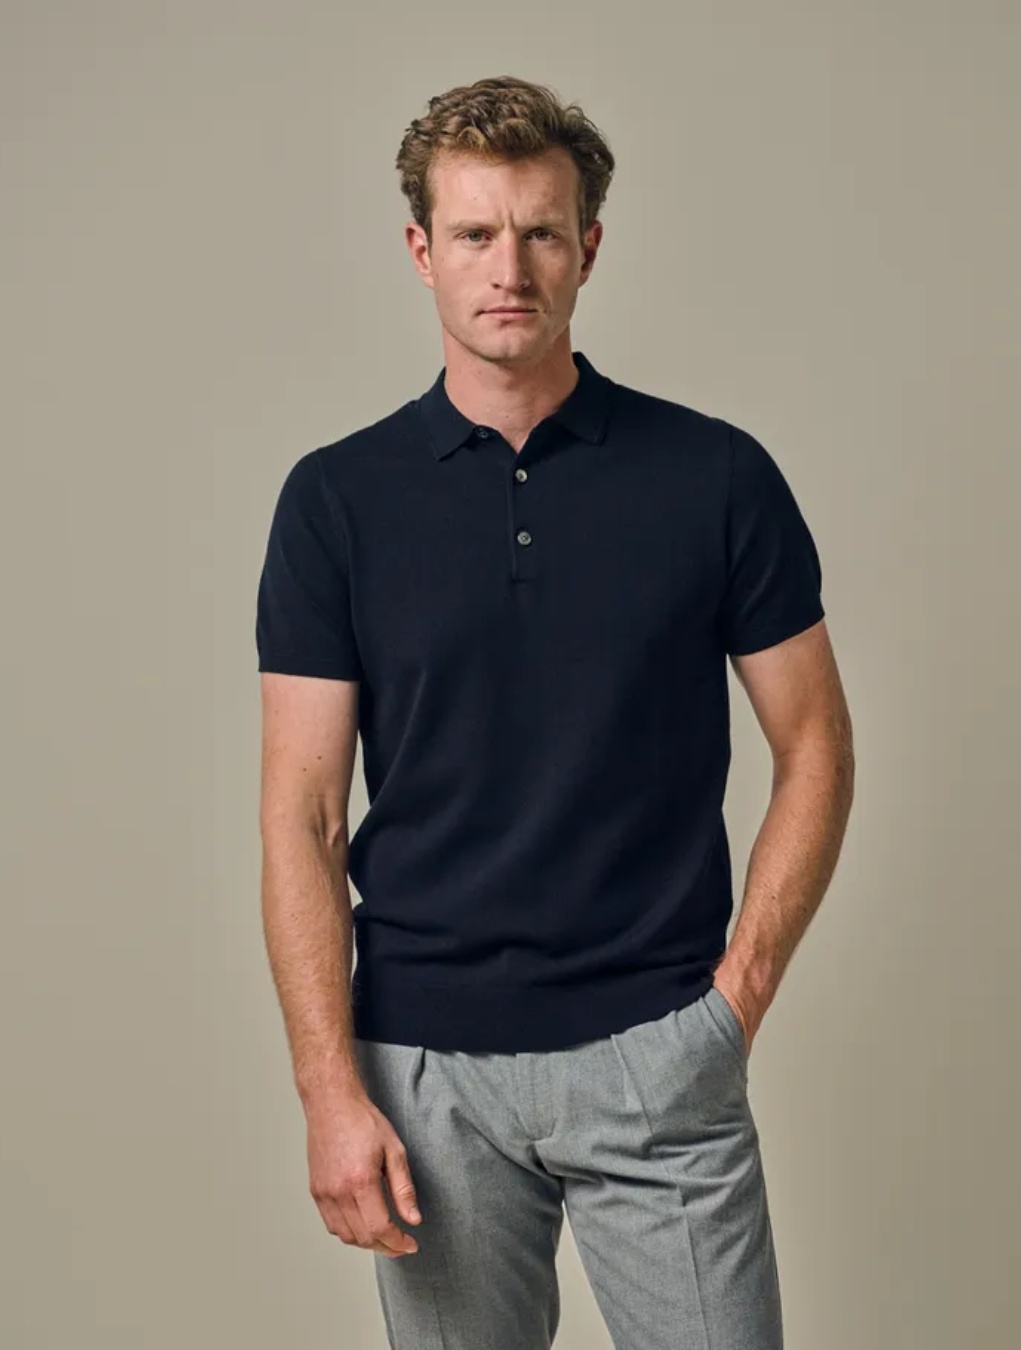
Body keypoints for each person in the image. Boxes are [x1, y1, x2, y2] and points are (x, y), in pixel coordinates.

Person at [256, 73, 855, 1350]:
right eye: (476, 232)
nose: (509, 267)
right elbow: (303, 814)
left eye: (541, 231)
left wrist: (736, 1000)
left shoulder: (716, 475)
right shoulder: (337, 502)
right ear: (422, 250)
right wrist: (328, 1089)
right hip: (425, 1075)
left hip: (660, 1051)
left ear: (589, 245)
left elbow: (814, 745)